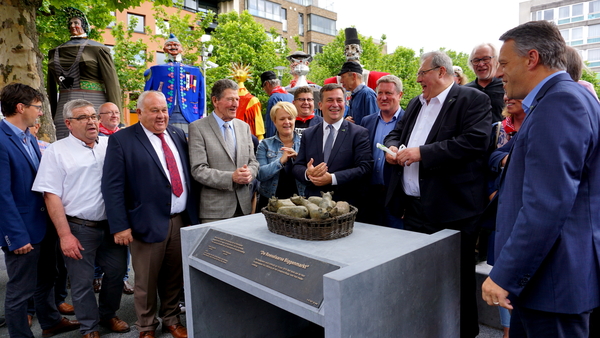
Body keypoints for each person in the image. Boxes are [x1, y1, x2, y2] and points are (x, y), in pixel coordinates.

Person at [481, 21, 600, 338]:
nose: (499, 73)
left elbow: (547, 204)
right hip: (545, 284)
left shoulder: (559, 103)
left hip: (553, 286)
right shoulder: (564, 98)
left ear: (531, 58)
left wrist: (505, 274)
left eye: (504, 64)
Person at [383, 51, 492, 338]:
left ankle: (464, 332)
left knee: (456, 279)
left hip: (453, 211)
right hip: (415, 209)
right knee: (419, 277)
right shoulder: (416, 104)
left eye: (422, 73)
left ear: (442, 72)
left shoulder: (472, 99)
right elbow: (395, 132)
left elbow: (474, 142)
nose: (418, 79)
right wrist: (393, 149)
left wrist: (422, 153)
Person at [102, 90, 198, 338]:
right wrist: (120, 226)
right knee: (145, 281)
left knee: (173, 277)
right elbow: (112, 187)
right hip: (145, 222)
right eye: (154, 110)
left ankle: (171, 319)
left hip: (179, 220)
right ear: (140, 112)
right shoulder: (122, 140)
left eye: (164, 110)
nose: (161, 115)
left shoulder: (177, 134)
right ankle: (146, 326)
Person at [31, 99, 129, 338]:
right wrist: (65, 236)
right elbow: (50, 196)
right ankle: (89, 327)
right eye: (83, 118)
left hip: (112, 226)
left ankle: (108, 314)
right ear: (68, 123)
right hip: (78, 227)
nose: (92, 121)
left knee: (116, 274)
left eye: (94, 116)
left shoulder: (109, 145)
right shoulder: (57, 151)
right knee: (82, 282)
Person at [1, 83, 81, 338]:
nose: (41, 113)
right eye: (37, 107)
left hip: (44, 226)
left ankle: (51, 322)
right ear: (20, 107)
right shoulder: (2, 140)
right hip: (23, 233)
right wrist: (16, 236)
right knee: (20, 291)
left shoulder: (28, 137)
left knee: (47, 278)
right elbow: (2, 195)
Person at [292, 83, 373, 218]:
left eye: (339, 100)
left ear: (345, 104)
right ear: (320, 105)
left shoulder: (359, 133)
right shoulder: (309, 134)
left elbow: (365, 168)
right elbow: (297, 166)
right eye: (329, 100)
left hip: (346, 208)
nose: (335, 104)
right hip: (315, 210)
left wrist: (332, 178)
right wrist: (308, 173)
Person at [189, 79, 259, 223]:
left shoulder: (244, 127)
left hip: (243, 209)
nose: (235, 104)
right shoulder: (198, 128)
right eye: (230, 99)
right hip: (215, 211)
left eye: (237, 99)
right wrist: (231, 177)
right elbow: (198, 170)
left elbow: (253, 162)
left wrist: (249, 173)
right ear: (215, 101)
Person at [47, 7, 121, 140]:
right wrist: (50, 114)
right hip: (62, 111)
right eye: (70, 23)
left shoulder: (97, 49)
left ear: (84, 25)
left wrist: (115, 115)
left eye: (76, 23)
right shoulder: (54, 52)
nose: (72, 26)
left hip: (94, 105)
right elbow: (51, 89)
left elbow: (112, 83)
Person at [359, 75, 405, 228]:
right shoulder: (367, 121)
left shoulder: (409, 121)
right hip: (370, 195)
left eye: (389, 93)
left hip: (396, 196)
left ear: (400, 95)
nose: (383, 97)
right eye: (380, 93)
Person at [144, 34, 204, 134]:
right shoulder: (155, 70)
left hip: (190, 115)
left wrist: (201, 114)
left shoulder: (196, 71)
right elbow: (146, 95)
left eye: (176, 45)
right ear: (164, 49)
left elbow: (201, 96)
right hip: (163, 116)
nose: (173, 47)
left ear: (181, 48)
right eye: (169, 45)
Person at [256, 102, 305, 210]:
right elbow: (260, 174)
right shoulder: (265, 144)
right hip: (270, 203)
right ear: (274, 122)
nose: (287, 122)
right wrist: (280, 161)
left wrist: (298, 159)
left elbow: (312, 175)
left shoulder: (305, 142)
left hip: (300, 204)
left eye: (290, 118)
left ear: (295, 120)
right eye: (282, 119)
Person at [324, 28, 389, 91]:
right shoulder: (334, 81)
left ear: (359, 50)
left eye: (353, 48)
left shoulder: (372, 78)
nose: (349, 51)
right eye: (347, 49)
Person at [465, 43, 504, 122]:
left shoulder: (506, 87)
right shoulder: (465, 91)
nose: (481, 64)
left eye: (486, 59)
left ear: (496, 61)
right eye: (476, 60)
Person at [230, 63, 265, 140]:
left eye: (240, 73)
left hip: (245, 135)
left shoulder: (252, 100)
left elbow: (258, 120)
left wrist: (260, 136)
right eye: (236, 72)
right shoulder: (253, 100)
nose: (238, 74)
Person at [261, 71, 294, 138]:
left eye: (263, 87)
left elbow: (271, 123)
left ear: (267, 84)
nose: (264, 90)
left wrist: (269, 141)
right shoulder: (291, 96)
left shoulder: (274, 98)